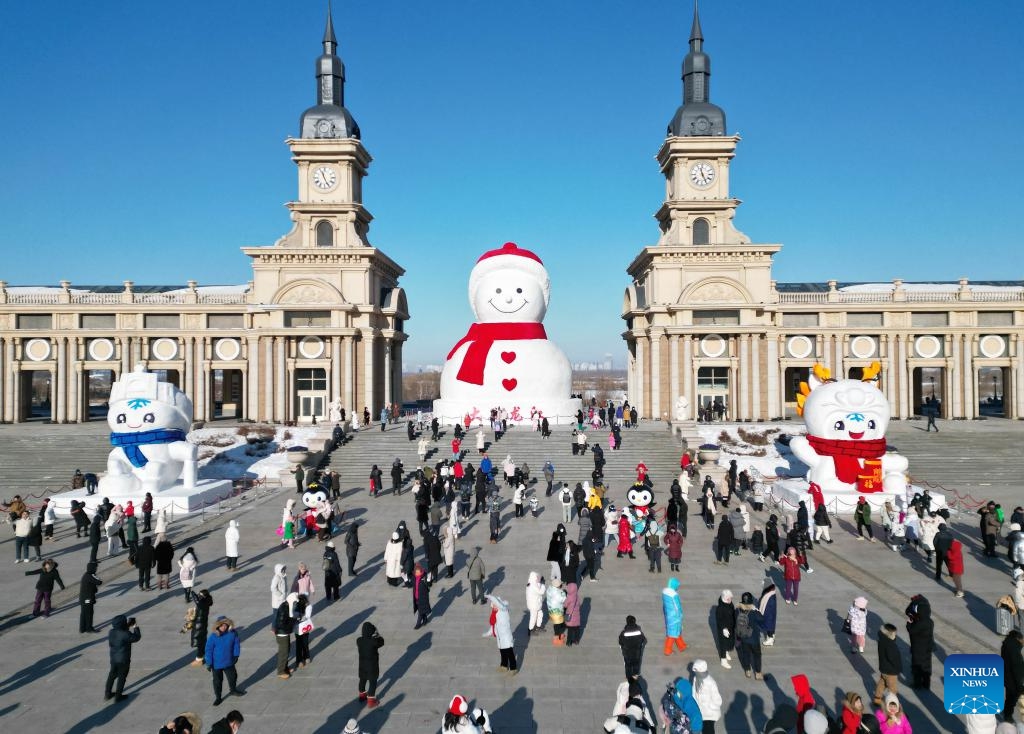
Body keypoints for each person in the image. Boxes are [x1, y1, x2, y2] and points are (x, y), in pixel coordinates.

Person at [204, 615, 245, 706]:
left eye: (226, 625)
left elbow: (236, 644)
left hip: (229, 662)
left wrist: (236, 655)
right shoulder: (213, 637)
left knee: (233, 677)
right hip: (216, 664)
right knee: (217, 681)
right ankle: (218, 697)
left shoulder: (232, 633)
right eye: (222, 625)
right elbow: (208, 650)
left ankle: (233, 690)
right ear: (218, 626)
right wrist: (209, 663)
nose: (224, 627)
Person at [104, 614, 141, 702]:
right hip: (123, 660)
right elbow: (136, 638)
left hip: (113, 658)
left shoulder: (111, 632)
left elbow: (121, 632)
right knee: (122, 677)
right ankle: (118, 696)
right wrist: (135, 626)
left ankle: (107, 694)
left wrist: (127, 626)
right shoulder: (125, 634)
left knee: (111, 676)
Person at [906, 594, 934, 689]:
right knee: (926, 666)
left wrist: (909, 624)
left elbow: (911, 630)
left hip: (918, 648)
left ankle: (917, 684)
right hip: (928, 647)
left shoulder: (919, 623)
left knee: (917, 665)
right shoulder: (930, 621)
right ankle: (926, 684)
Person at [735, 591, 764, 679]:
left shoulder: (737, 610)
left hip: (743, 637)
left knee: (746, 654)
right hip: (754, 638)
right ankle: (758, 673)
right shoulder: (753, 612)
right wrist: (757, 610)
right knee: (757, 655)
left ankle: (747, 670)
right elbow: (762, 619)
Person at [484, 595, 518, 672]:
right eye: (493, 607)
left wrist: (490, 597)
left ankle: (513, 668)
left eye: (495, 606)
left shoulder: (503, 610)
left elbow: (498, 604)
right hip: (500, 637)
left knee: (509, 652)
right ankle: (504, 665)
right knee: (502, 652)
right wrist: (488, 633)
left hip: (506, 636)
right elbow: (492, 623)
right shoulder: (495, 613)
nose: (494, 607)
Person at [690, 659, 723, 733]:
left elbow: (718, 700)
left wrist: (711, 706)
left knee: (709, 730)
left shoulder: (711, 682)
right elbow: (694, 693)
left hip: (710, 713)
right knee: (704, 728)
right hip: (700, 711)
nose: (695, 672)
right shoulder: (696, 679)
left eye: (696, 671)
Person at [357, 621, 384, 708]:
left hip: (362, 666)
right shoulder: (374, 642)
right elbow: (382, 642)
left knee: (362, 680)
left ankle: (362, 696)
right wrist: (377, 634)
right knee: (373, 683)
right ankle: (371, 701)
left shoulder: (359, 640)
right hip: (372, 667)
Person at [874, 623, 902, 706]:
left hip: (883, 668)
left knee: (882, 683)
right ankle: (892, 703)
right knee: (892, 688)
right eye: (894, 634)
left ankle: (877, 698)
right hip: (891, 671)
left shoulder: (882, 640)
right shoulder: (890, 645)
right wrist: (898, 667)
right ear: (890, 634)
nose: (895, 635)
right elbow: (892, 658)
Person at [1002, 630, 1024, 726]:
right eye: (1023, 639)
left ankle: (1007, 715)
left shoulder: (1007, 644)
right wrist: (1020, 684)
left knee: (1010, 698)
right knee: (1013, 698)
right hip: (1014, 680)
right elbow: (1016, 667)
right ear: (1018, 639)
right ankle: (1008, 716)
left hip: (1007, 677)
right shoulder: (1014, 649)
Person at [661, 577, 687, 655]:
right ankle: (667, 650)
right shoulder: (674, 595)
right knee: (672, 634)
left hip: (669, 615)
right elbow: (677, 606)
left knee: (676, 631)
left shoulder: (665, 593)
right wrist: (680, 615)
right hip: (675, 617)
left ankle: (682, 646)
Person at [272, 593, 295, 679]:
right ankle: (280, 671)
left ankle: (285, 668)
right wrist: (292, 623)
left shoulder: (286, 606)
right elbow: (282, 623)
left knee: (287, 650)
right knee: (283, 653)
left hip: (285, 633)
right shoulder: (284, 608)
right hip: (282, 634)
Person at [618, 615, 646, 679]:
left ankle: (628, 677)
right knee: (636, 664)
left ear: (627, 622)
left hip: (627, 654)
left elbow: (620, 642)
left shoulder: (624, 633)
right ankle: (635, 677)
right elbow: (643, 639)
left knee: (628, 665)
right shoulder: (639, 632)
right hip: (636, 653)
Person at [190, 589, 213, 667]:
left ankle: (199, 659)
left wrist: (192, 592)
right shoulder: (205, 602)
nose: (199, 596)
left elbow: (197, 601)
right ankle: (202, 657)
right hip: (201, 624)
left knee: (199, 642)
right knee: (202, 642)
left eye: (200, 595)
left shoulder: (202, 603)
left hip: (200, 626)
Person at [79, 561, 102, 633]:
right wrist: (95, 575)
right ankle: (89, 628)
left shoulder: (85, 575)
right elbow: (99, 582)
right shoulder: (90, 575)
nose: (96, 569)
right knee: (89, 613)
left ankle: (82, 628)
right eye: (95, 568)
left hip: (83, 598)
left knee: (83, 613)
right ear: (92, 568)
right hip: (87, 598)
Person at [293, 593, 313, 669]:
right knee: (299, 644)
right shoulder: (296, 606)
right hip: (298, 628)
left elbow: (307, 616)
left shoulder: (308, 606)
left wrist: (301, 616)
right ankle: (299, 660)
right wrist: (298, 615)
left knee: (305, 642)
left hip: (305, 627)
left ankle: (306, 656)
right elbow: (293, 614)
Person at [547, 578, 568, 646]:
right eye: (560, 584)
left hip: (551, 609)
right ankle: (556, 639)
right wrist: (564, 593)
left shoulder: (550, 589)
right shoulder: (558, 593)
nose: (561, 585)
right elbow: (563, 599)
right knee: (557, 625)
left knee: (558, 623)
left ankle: (559, 634)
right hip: (557, 611)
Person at [759, 576, 778, 646]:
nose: (762, 584)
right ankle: (771, 636)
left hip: (769, 613)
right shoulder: (769, 591)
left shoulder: (770, 595)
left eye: (763, 584)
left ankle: (770, 639)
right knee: (770, 625)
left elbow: (769, 606)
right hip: (769, 613)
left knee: (769, 625)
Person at [412, 564, 432, 629]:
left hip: (423, 597)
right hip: (416, 596)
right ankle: (425, 619)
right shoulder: (414, 577)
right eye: (416, 572)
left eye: (418, 571)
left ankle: (418, 624)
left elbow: (429, 584)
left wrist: (429, 580)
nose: (417, 573)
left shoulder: (424, 577)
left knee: (420, 611)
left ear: (421, 571)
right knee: (421, 609)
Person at [563, 582, 581, 647]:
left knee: (570, 631)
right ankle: (576, 640)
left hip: (570, 617)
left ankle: (569, 642)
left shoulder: (569, 597)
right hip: (576, 616)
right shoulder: (577, 596)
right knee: (577, 629)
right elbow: (578, 604)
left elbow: (565, 605)